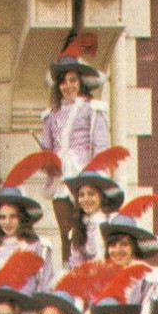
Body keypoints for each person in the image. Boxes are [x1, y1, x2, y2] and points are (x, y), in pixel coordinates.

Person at [39, 33, 110, 249]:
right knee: (65, 233)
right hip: (60, 177)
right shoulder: (51, 115)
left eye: (72, 80)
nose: (67, 86)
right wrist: (47, 162)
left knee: (85, 229)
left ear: (81, 82)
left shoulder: (92, 108)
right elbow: (46, 148)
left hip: (82, 172)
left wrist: (96, 177)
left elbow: (100, 145)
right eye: (63, 82)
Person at [0, 151, 59, 296]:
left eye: (13, 216)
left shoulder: (38, 247)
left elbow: (45, 287)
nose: (7, 222)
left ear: (22, 218)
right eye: (2, 217)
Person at [62, 146, 129, 270]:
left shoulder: (112, 222)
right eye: (81, 195)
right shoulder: (79, 225)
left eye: (91, 194)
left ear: (101, 196)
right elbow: (76, 262)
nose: (86, 199)